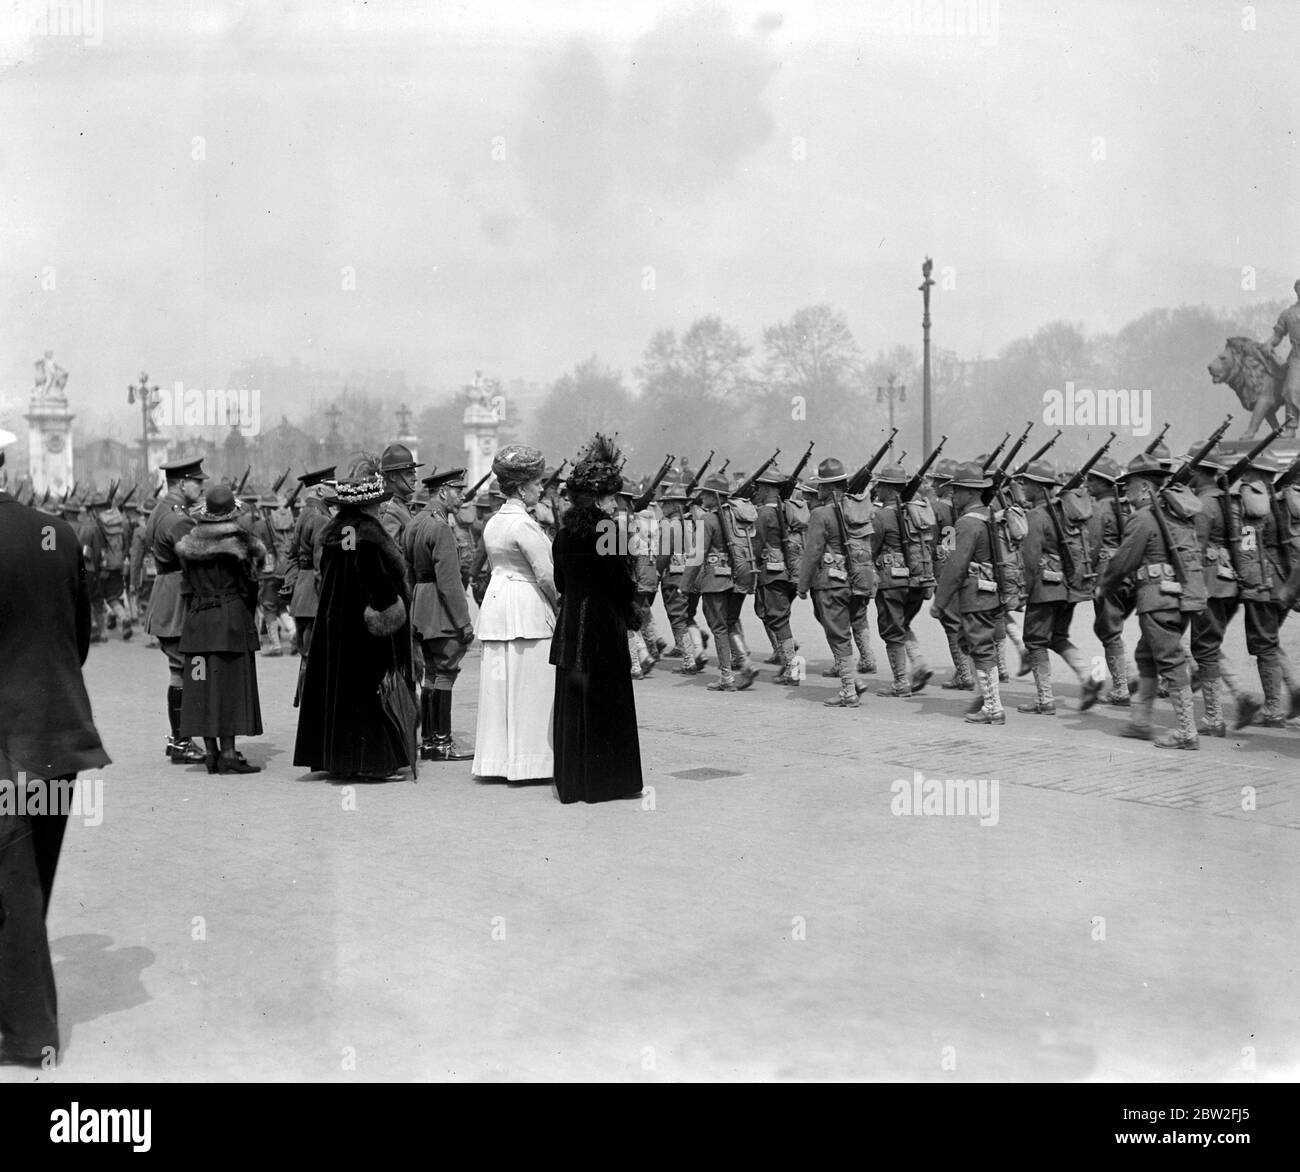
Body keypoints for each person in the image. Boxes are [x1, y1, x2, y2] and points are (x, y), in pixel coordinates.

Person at [0, 427, 110, 1066]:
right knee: (27, 882)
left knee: (13, 888)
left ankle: (28, 1035)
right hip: (54, 736)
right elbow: (78, 638)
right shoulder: (57, 535)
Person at [293, 471, 417, 780]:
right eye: (375, 504)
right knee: (370, 690)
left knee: (340, 690)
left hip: (335, 623)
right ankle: (373, 761)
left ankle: (341, 759)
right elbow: (375, 580)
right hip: (365, 628)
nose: (378, 509)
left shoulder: (337, 533)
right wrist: (393, 608)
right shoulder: (368, 536)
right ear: (367, 507)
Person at [551, 434, 644, 803]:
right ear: (603, 498)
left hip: (572, 623)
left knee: (574, 699)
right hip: (603, 625)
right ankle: (605, 781)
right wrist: (631, 615)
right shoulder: (610, 531)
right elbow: (622, 585)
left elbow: (560, 582)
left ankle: (573, 782)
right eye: (612, 496)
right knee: (607, 699)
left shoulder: (562, 536)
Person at [1097, 453, 1207, 748]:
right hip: (1179, 597)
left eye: (1130, 486)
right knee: (1146, 657)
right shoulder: (1176, 514)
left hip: (1156, 600)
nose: (1126, 492)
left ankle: (1186, 731)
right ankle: (1141, 722)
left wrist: (1104, 587)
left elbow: (1123, 562)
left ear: (1145, 487)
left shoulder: (1143, 518)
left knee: (1170, 663)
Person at [472, 445, 558, 781]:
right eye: (537, 483)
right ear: (522, 488)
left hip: (497, 606)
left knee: (499, 689)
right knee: (530, 686)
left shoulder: (494, 522)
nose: (541, 489)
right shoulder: (523, 525)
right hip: (526, 607)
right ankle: (530, 763)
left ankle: (496, 761)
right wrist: (559, 604)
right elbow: (546, 575)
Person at [173, 484, 265, 774]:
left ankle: (211, 752)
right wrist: (244, 616)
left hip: (198, 622)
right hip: (230, 620)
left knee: (201, 686)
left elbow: (185, 587)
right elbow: (251, 586)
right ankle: (228, 752)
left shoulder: (189, 545)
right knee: (230, 687)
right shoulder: (243, 544)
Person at [405, 468, 475, 761]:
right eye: (458, 491)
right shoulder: (441, 527)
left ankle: (430, 740)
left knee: (431, 673)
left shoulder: (416, 522)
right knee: (445, 670)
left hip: (420, 605)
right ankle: (442, 742)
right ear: (443, 491)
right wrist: (464, 622)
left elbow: (408, 570)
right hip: (440, 608)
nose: (462, 496)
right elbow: (450, 582)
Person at [143, 458, 208, 764]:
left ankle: (179, 741)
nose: (203, 486)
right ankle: (182, 741)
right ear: (183, 483)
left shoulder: (160, 510)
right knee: (186, 669)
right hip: (179, 596)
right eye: (198, 482)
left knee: (177, 669)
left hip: (164, 594)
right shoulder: (179, 519)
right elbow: (195, 561)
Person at [932, 461, 1006, 724]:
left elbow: (954, 566)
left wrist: (939, 603)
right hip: (988, 591)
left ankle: (993, 707)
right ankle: (986, 699)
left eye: (958, 489)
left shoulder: (967, 523)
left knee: (981, 648)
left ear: (971, 493)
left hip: (975, 595)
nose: (953, 494)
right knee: (976, 644)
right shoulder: (987, 516)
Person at [797, 457, 874, 707]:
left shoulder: (821, 513)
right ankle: (853, 680)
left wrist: (803, 585)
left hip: (830, 583)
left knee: (838, 636)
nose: (817, 491)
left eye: (820, 486)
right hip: (857, 579)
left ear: (829, 489)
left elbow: (812, 553)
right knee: (848, 630)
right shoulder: (858, 508)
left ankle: (849, 691)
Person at [282, 466, 336, 699]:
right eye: (333, 486)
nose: (337, 490)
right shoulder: (322, 519)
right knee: (319, 659)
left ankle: (306, 706)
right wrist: (331, 597)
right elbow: (321, 566)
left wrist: (293, 586)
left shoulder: (305, 514)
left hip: (302, 597)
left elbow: (292, 556)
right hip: (315, 597)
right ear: (322, 489)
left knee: (307, 656)